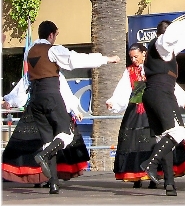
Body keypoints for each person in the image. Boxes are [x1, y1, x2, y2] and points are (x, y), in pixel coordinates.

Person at [26, 20, 119, 195]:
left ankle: (53, 184)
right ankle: (44, 156)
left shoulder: (30, 52)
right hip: (51, 96)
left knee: (48, 141)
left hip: (35, 99)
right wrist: (106, 59)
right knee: (67, 134)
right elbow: (75, 59)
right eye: (55, 35)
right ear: (51, 35)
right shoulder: (52, 50)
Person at [106, 43, 185, 189]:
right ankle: (138, 177)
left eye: (136, 56)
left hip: (155, 108)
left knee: (158, 140)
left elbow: (168, 85)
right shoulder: (130, 72)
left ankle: (159, 176)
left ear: (144, 53)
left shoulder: (155, 67)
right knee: (136, 144)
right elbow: (123, 89)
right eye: (131, 57)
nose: (134, 60)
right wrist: (113, 102)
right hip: (137, 111)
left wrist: (182, 100)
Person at [139, 7, 185, 196]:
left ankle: (169, 183)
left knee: (164, 138)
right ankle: (150, 163)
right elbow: (170, 38)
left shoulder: (165, 52)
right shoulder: (161, 44)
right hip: (161, 94)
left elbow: (179, 43)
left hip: (153, 93)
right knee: (177, 131)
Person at [1, 72, 89, 186]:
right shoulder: (46, 74)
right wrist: (9, 101)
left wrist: (75, 110)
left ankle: (47, 179)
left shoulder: (45, 74)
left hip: (40, 111)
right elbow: (21, 92)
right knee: (44, 144)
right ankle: (48, 179)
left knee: (44, 143)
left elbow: (65, 94)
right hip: (49, 112)